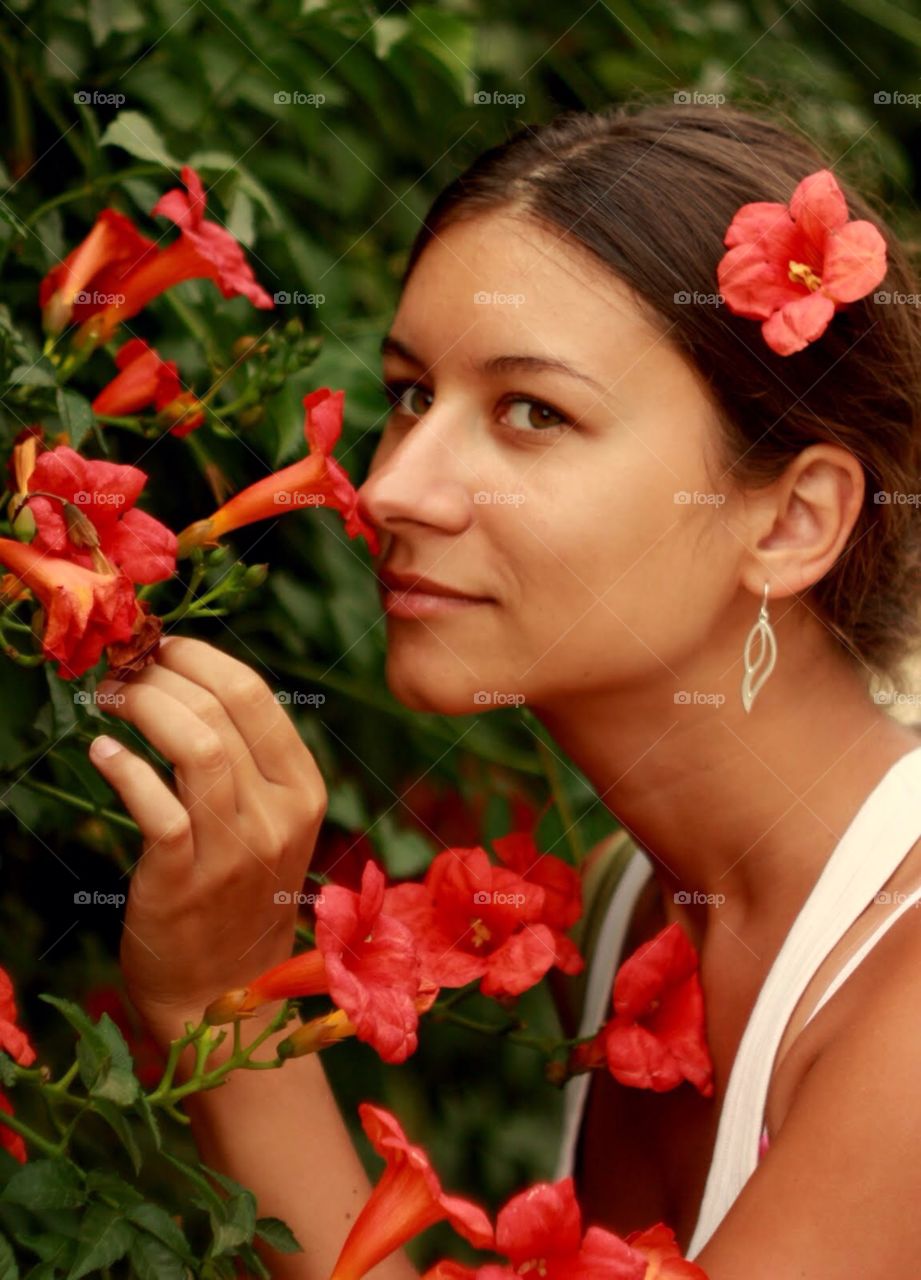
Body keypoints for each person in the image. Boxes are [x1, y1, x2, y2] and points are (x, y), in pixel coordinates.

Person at [87, 96, 921, 1278]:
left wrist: (232, 994)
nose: (389, 489)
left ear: (792, 521)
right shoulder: (648, 897)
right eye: (413, 393)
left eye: (534, 411)